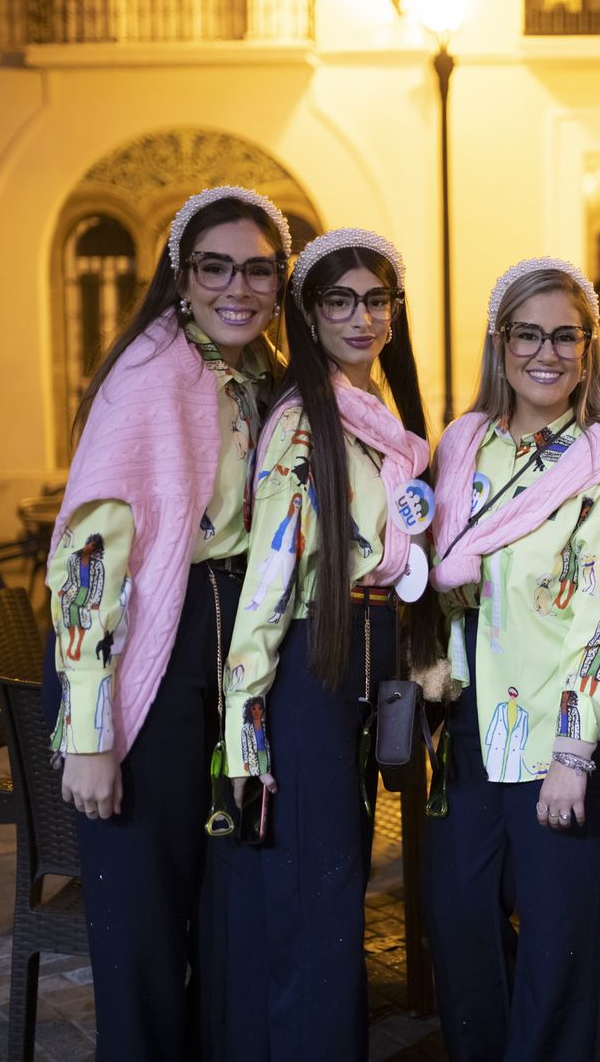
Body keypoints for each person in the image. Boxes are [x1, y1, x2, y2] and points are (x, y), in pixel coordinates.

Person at [42, 185, 290, 1060]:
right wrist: (86, 730)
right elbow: (86, 562)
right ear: (181, 278)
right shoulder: (149, 374)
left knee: (224, 902)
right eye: (215, 266)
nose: (238, 286)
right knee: (144, 919)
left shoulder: (262, 376)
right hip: (152, 644)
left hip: (233, 644)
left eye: (258, 268)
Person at [201, 228, 430, 1060]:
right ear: (310, 312)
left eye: (376, 300)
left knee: (335, 887)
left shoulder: (383, 416)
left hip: (367, 654)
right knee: (317, 898)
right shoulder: (304, 423)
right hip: (310, 665)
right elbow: (265, 588)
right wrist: (244, 732)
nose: (361, 317)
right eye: (340, 300)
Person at [422, 257, 600, 1061]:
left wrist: (572, 753)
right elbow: (440, 572)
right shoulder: (462, 444)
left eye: (566, 335)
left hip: (564, 731)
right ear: (501, 342)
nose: (546, 353)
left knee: (558, 940)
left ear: (588, 349)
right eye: (530, 333)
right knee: (461, 921)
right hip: (471, 723)